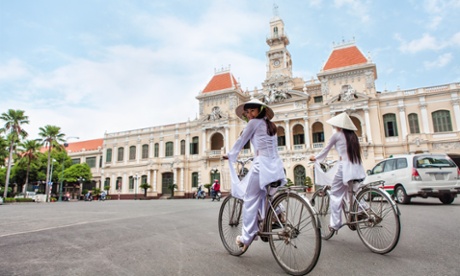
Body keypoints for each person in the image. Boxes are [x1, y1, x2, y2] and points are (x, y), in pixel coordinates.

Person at [223, 98, 286, 252]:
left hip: (261, 166)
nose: (250, 114)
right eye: (248, 112)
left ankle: (246, 238)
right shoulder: (270, 125)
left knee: (250, 199)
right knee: (265, 194)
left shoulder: (253, 123)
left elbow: (241, 140)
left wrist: (231, 155)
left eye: (252, 111)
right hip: (276, 167)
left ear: (260, 110)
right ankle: (278, 216)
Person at [309, 112, 366, 232]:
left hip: (344, 168)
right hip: (357, 167)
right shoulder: (353, 136)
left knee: (335, 194)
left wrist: (316, 158)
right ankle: (362, 210)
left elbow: (326, 149)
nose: (335, 127)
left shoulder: (337, 135)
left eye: (335, 125)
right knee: (352, 192)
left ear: (340, 125)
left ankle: (335, 224)